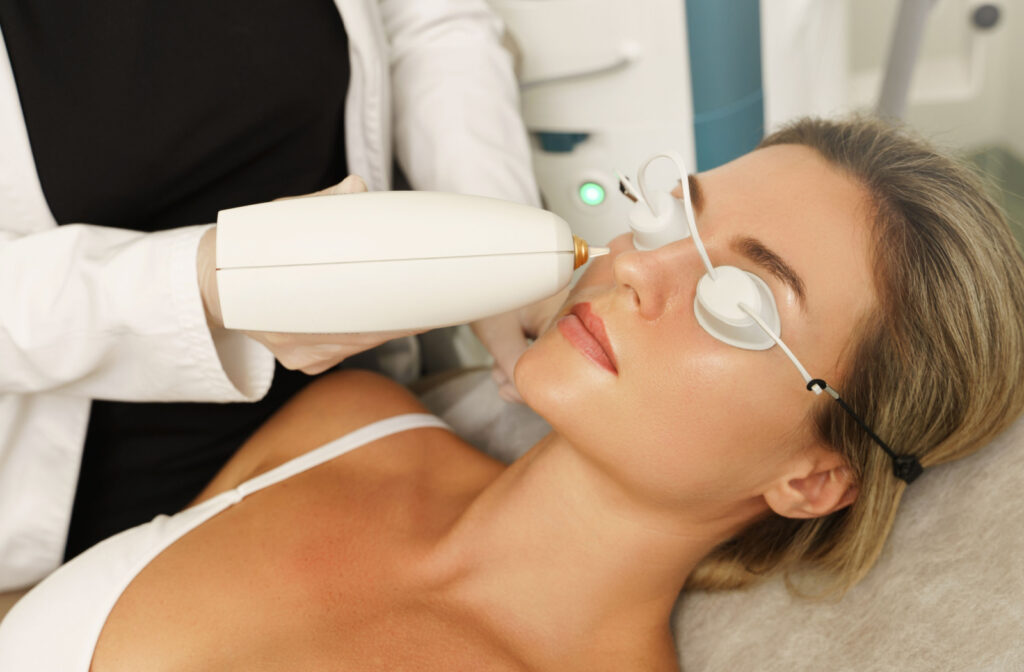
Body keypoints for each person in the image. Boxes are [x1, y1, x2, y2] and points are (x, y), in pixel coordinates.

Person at [2, 115, 1023, 670]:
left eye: (739, 297)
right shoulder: (348, 422)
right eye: (675, 216)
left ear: (813, 478)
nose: (636, 267)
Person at [0, 0, 543, 592]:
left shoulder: (399, 429)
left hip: (344, 396)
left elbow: (432, 25)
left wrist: (498, 242)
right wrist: (201, 281)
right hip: (96, 483)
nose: (645, 269)